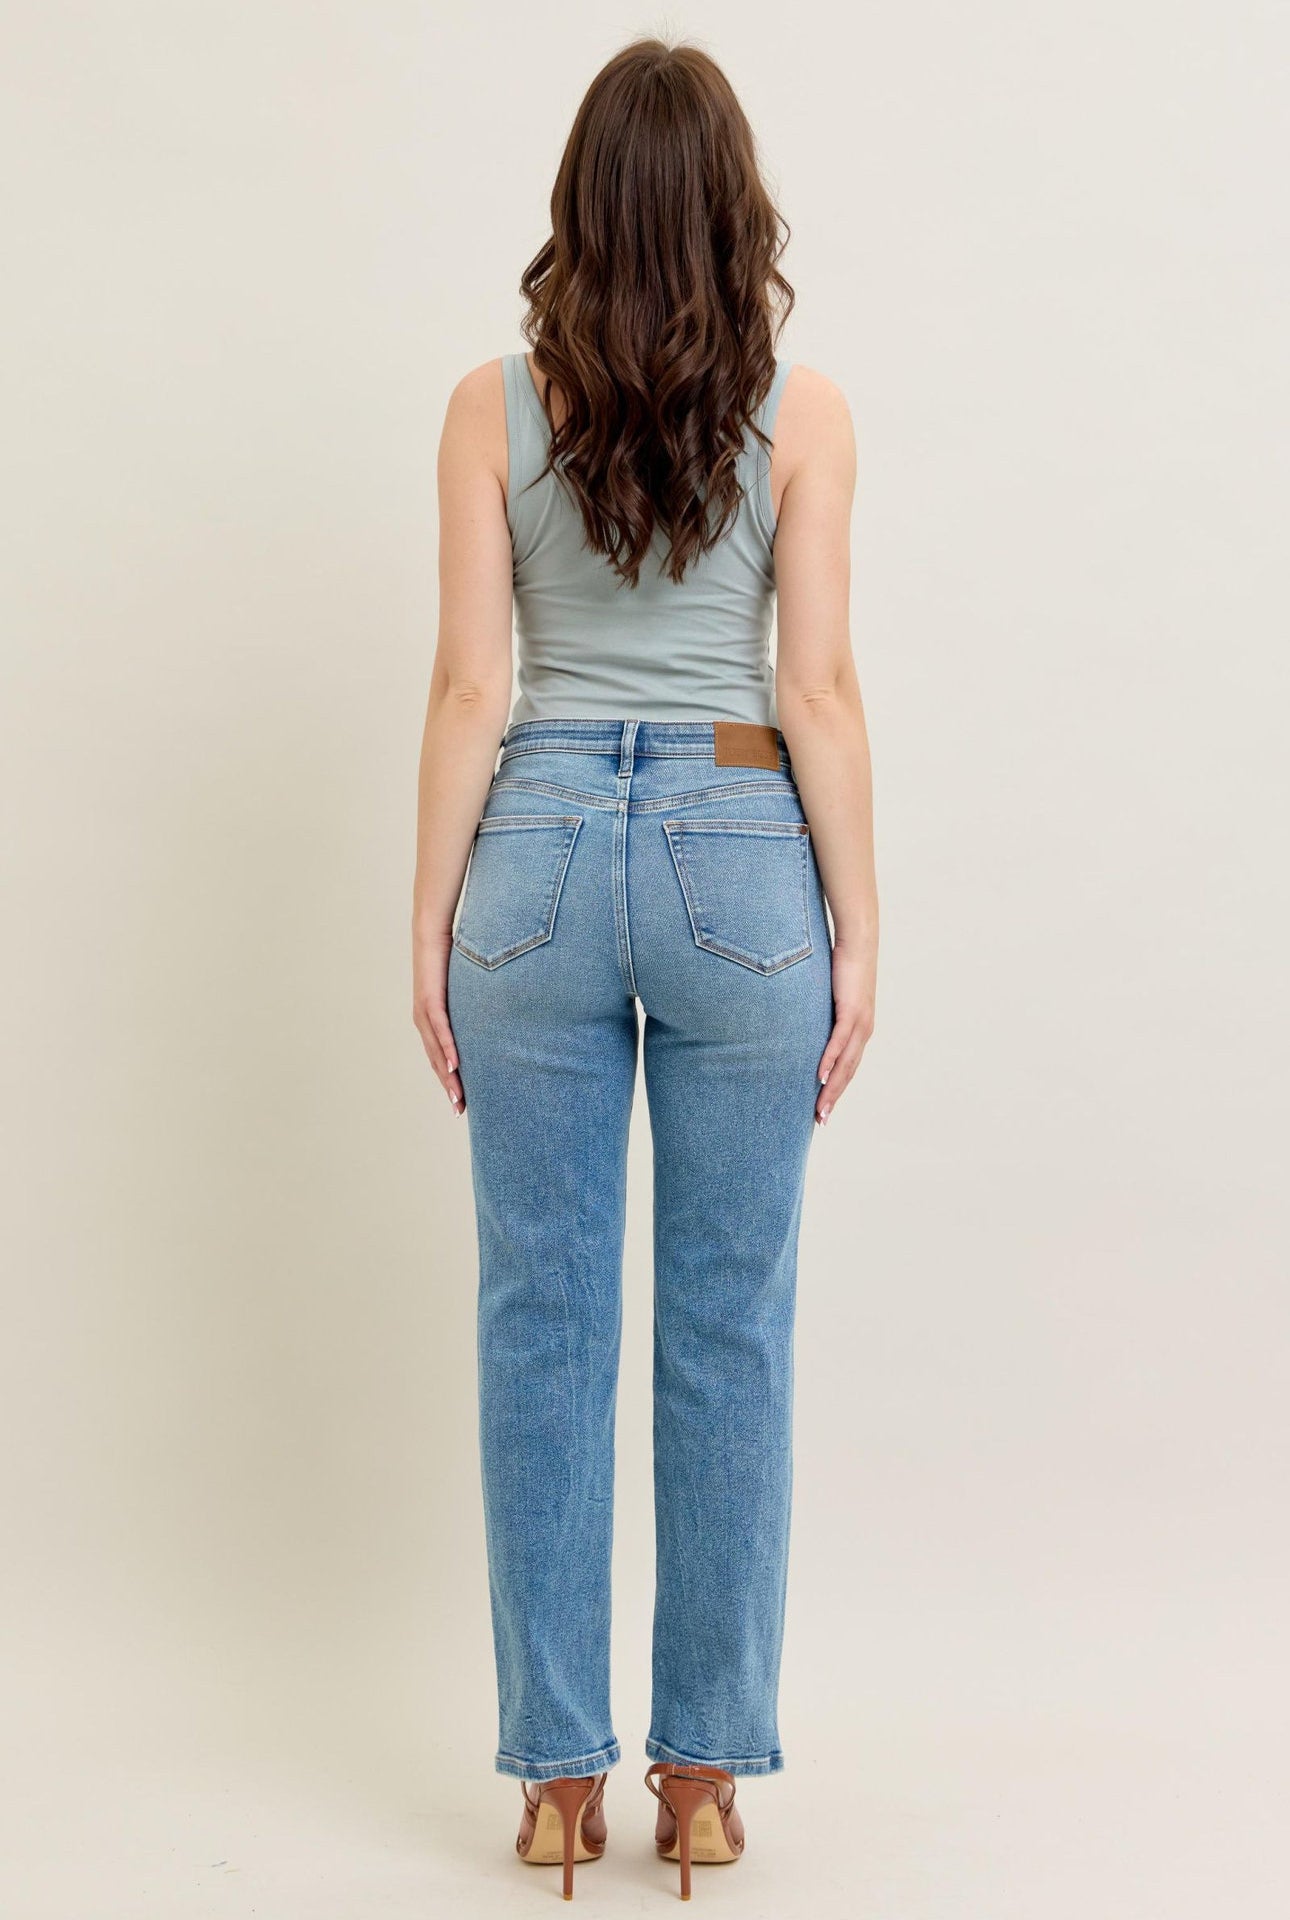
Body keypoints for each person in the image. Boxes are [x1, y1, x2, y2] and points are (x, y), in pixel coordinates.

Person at [412, 35, 878, 1902]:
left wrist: (426, 922)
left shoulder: (484, 406)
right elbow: (814, 689)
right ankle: (697, 1782)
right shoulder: (808, 412)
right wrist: (858, 927)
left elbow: (470, 686)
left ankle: (549, 1782)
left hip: (527, 852)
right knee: (725, 1323)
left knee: (539, 1322)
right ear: (735, 209)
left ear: (577, 209)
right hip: (738, 851)